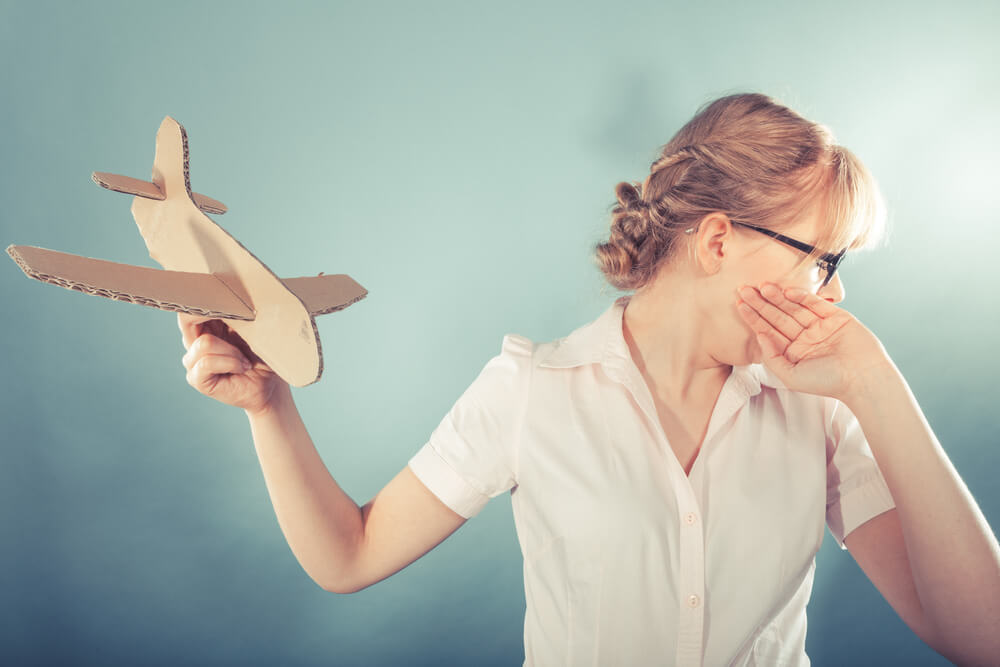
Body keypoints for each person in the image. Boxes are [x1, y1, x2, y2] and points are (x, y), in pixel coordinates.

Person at [177, 92, 1000, 666]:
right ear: (718, 241)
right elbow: (347, 556)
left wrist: (876, 383)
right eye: (822, 260)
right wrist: (267, 403)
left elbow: (983, 637)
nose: (836, 290)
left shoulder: (821, 410)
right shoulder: (532, 391)